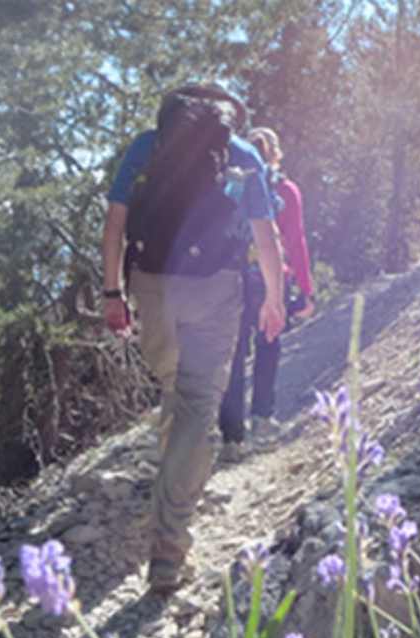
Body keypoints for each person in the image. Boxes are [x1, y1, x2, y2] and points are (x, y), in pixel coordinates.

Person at [100, 84, 286, 593]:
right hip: (215, 288)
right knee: (198, 404)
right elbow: (265, 233)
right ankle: (168, 548)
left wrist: (112, 291)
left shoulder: (146, 146)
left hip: (153, 285)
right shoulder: (242, 152)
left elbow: (115, 223)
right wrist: (274, 296)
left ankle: (172, 489)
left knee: (175, 392)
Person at [217, 126, 315, 462]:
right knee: (268, 346)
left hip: (232, 275)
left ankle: (231, 437)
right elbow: (296, 241)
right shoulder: (285, 190)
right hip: (272, 275)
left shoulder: (230, 187)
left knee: (234, 352)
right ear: (274, 153)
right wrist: (305, 289)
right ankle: (262, 419)